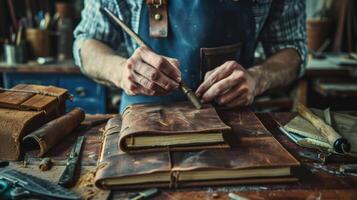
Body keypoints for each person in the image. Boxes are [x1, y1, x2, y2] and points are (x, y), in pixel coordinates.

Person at [73, 0, 307, 113]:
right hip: (144, 125)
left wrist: (259, 78)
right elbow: (86, 42)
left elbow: (292, 47)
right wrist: (121, 71)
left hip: (235, 124)